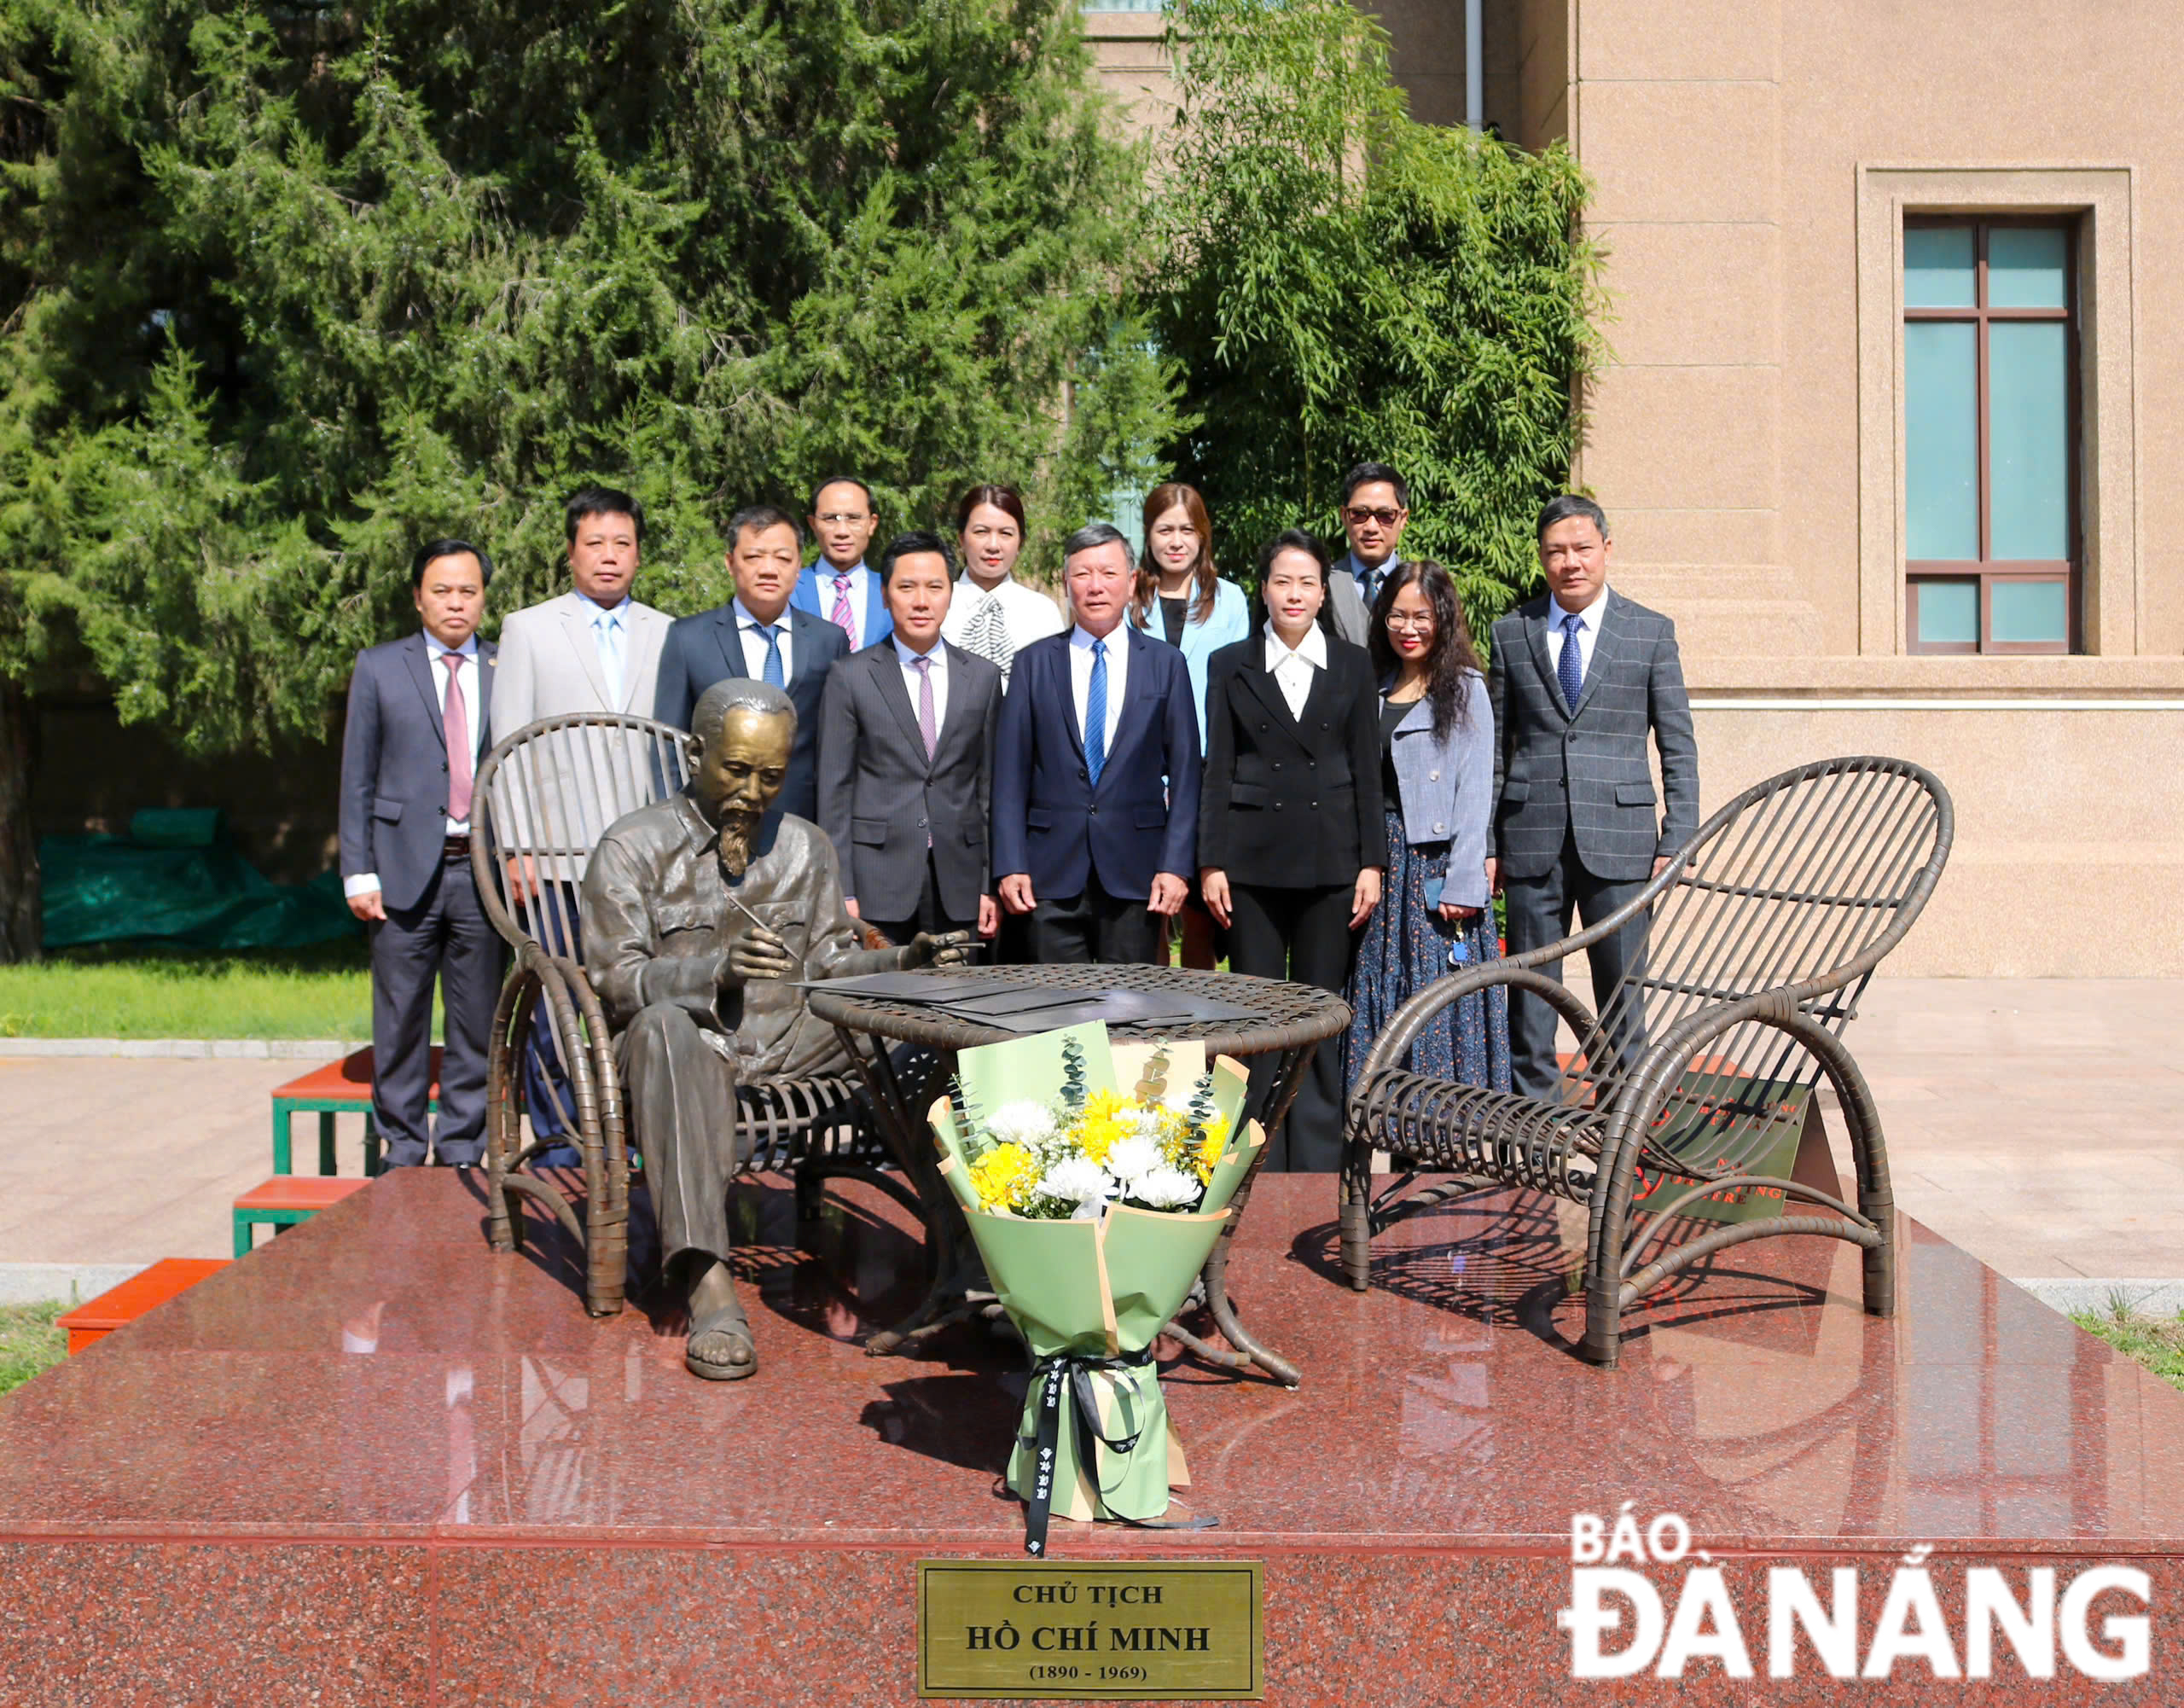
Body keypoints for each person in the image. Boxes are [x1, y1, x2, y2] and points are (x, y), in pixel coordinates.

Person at [584, 679, 972, 1380]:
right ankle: (708, 1282)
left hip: (792, 1035)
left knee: (926, 1023)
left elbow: (829, 962)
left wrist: (902, 960)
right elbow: (615, 980)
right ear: (695, 755)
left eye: (770, 776)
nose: (753, 794)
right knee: (667, 1026)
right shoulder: (631, 849)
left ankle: (967, 1250)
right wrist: (713, 972)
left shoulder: (804, 846)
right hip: (683, 1050)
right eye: (736, 771)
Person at [1488, 495, 1699, 1100]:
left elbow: (1678, 743)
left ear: (1607, 549)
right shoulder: (1512, 632)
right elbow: (1498, 749)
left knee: (1622, 1003)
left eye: (1582, 548)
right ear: (1542, 558)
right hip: (1530, 841)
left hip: (1624, 842)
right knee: (1530, 1002)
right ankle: (1536, 1140)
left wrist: (1678, 833)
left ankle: (1617, 1143)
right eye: (1556, 551)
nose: (1570, 562)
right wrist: (1485, 841)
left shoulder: (1650, 632)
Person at [490, 485, 671, 1164]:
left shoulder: (665, 631)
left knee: (632, 994)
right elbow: (507, 745)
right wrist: (518, 848)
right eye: (595, 543)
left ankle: (628, 1131)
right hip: (557, 855)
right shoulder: (529, 629)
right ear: (571, 552)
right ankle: (566, 1140)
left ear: (638, 554)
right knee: (560, 997)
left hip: (642, 862)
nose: (609, 557)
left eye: (622, 543)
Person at [1199, 532, 1383, 1171]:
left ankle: (1317, 1160)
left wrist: (1372, 862)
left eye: (1307, 582)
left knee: (1320, 1012)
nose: (1295, 594)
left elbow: (1366, 768)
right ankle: (1255, 1157)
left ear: (1322, 590)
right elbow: (1216, 766)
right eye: (1283, 581)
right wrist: (1211, 861)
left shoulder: (1353, 664)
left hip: (1332, 861)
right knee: (1254, 1016)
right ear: (1264, 588)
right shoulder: (1229, 663)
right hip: (1250, 862)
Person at [338, 540, 502, 1169]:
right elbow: (357, 776)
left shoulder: (503, 666)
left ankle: (463, 1145)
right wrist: (359, 870)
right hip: (401, 872)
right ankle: (402, 1147)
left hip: (482, 871)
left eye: (468, 591)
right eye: (442, 590)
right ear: (417, 597)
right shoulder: (380, 667)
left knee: (475, 1019)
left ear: (483, 598)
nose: (456, 603)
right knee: (401, 1018)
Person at [990, 522, 1201, 966]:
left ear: (1131, 583)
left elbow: (1186, 774)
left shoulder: (1165, 664)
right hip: (1048, 875)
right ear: (1067, 584)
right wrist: (1009, 863)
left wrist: (1176, 865)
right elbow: (1008, 774)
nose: (1096, 586)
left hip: (1135, 871)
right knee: (1052, 1016)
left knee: (1128, 1014)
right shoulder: (1032, 664)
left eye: (1108, 573)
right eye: (1082, 574)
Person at [1343, 560, 1511, 1096]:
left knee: (1438, 1002)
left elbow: (1474, 791)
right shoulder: (1367, 684)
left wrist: (1466, 881)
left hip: (1435, 869)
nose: (1408, 628)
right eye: (1397, 615)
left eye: (1421, 616)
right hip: (1377, 860)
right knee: (1380, 997)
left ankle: (1440, 1148)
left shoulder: (1464, 689)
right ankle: (1381, 1127)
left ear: (1443, 617)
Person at [817, 530, 1002, 946]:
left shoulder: (983, 677)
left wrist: (988, 882)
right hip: (876, 880)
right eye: (907, 587)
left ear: (950, 593)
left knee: (958, 1001)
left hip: (960, 879)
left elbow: (988, 790)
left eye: (935, 587)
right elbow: (834, 793)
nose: (922, 601)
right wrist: (842, 889)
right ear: (885, 594)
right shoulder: (850, 676)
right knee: (884, 1004)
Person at [654, 504, 851, 823]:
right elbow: (668, 747)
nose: (769, 569)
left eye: (783, 558)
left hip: (801, 825)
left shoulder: (829, 641)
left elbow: (837, 752)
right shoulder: (688, 638)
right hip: (711, 822)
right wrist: (675, 827)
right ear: (730, 563)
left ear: (799, 566)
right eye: (754, 557)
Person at [1124, 483, 1250, 971]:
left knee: (1201, 907)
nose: (1176, 541)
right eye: (1164, 529)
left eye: (1187, 530)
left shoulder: (1231, 599)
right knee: (1148, 905)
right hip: (1138, 766)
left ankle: (1199, 1034)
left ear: (1203, 537)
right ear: (1148, 535)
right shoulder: (1128, 595)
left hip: (1205, 765)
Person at [939, 483, 1064, 687]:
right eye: (981, 532)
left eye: (1006, 533)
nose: (993, 546)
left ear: (1020, 542)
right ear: (961, 538)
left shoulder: (1043, 612)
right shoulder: (936, 604)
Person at [791, 476, 892, 649]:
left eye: (853, 518)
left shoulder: (893, 591)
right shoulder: (789, 590)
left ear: (872, 523)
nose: (842, 531)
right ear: (813, 524)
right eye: (830, 518)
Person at [1325, 462, 1411, 646]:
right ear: (1344, 516)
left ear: (1403, 519)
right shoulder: (1321, 585)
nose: (1371, 527)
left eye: (1385, 515)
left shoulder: (1419, 588)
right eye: (1359, 513)